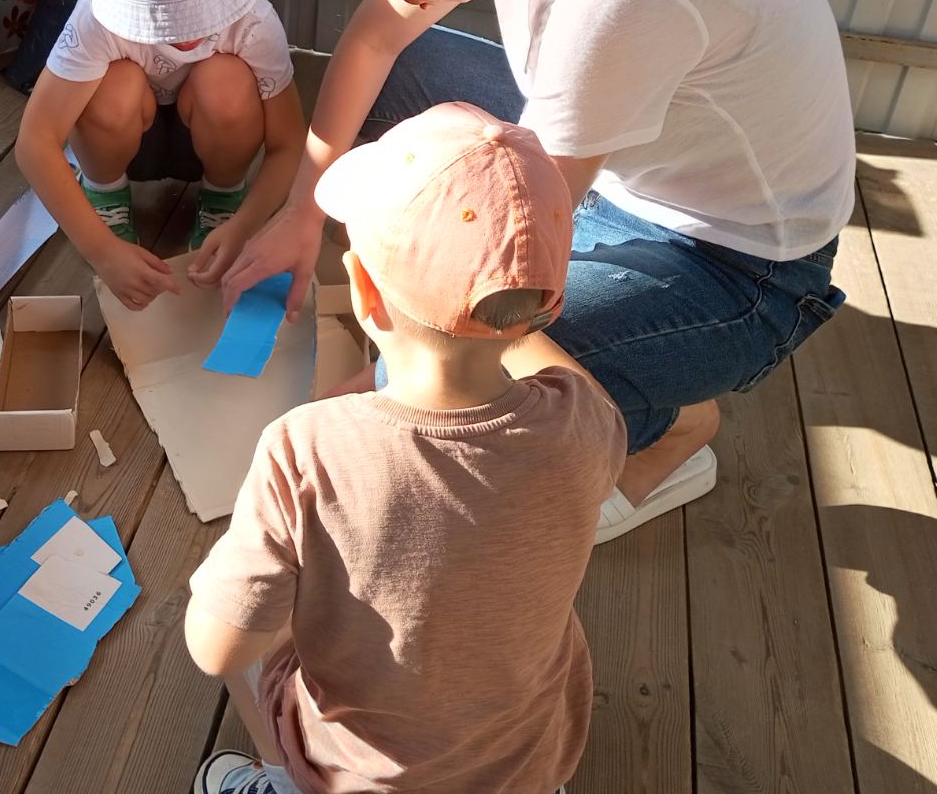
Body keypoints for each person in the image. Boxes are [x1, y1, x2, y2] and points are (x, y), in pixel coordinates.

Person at [222, 0, 854, 542]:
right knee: (402, 79)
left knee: (451, 392)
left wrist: (380, 390)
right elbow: (379, 43)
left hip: (743, 267)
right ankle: (637, 366)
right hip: (623, 165)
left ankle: (669, 430)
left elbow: (506, 270)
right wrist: (300, 213)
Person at [186, 102, 625, 794]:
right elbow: (557, 367)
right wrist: (509, 304)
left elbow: (217, 650)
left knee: (250, 646)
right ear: (548, 302)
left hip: (367, 778)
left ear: (363, 290)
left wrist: (231, 576)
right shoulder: (584, 419)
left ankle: (283, 781)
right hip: (528, 763)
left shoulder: (304, 450)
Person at [15, 0, 306, 310]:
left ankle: (221, 199)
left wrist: (244, 225)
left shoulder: (253, 21)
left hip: (214, 143)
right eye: (168, 19)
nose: (187, 35)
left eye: (198, 14)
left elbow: (290, 143)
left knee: (226, 80)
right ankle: (105, 194)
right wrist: (102, 250)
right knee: (114, 85)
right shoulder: (96, 20)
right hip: (122, 145)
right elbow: (35, 141)